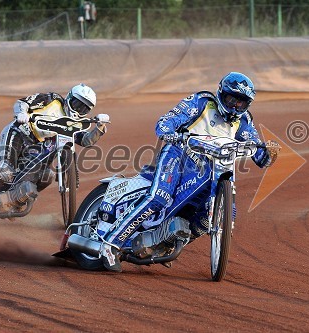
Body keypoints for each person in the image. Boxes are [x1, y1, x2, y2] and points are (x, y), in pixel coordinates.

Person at [100, 72, 280, 272]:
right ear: (222, 93)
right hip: (179, 154)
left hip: (214, 168)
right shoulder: (202, 102)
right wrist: (171, 132)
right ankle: (110, 244)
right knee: (159, 197)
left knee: (206, 219)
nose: (236, 106)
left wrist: (269, 153)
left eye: (242, 103)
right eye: (232, 100)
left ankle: (164, 243)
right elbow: (166, 121)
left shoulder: (244, 121)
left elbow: (258, 154)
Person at [0, 83, 109, 179]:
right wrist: (22, 113)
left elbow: (86, 141)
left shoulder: (73, 124)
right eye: (77, 104)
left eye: (84, 108)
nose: (78, 110)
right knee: (5, 171)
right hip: (21, 133)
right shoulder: (52, 99)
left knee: (46, 176)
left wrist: (100, 127)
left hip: (36, 149)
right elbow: (23, 102)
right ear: (69, 97)